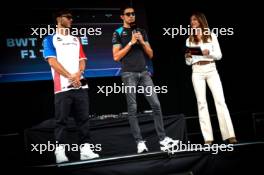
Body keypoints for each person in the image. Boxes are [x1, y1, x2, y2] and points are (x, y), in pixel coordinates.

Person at [112, 6, 178, 153]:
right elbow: (116, 57)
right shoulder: (117, 33)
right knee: (133, 108)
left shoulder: (141, 32)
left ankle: (162, 140)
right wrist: (130, 43)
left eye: (133, 14)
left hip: (144, 73)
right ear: (122, 17)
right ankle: (139, 142)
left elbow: (151, 54)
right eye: (128, 14)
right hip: (128, 74)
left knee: (156, 104)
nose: (131, 16)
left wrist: (141, 41)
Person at [43, 9, 99, 163]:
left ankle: (85, 150)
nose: (71, 19)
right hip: (62, 87)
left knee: (83, 119)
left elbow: (82, 59)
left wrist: (78, 74)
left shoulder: (76, 39)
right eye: (68, 17)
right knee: (61, 120)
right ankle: (60, 152)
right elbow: (52, 62)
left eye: (71, 17)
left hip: (80, 84)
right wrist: (69, 76)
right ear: (58, 19)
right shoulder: (49, 39)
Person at [184, 12, 237, 144]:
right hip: (197, 71)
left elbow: (219, 55)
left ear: (201, 21)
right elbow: (188, 62)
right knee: (202, 103)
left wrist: (209, 53)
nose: (193, 22)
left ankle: (230, 135)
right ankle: (208, 138)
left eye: (195, 20)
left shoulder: (211, 35)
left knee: (220, 101)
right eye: (191, 20)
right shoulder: (189, 39)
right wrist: (188, 57)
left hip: (211, 69)